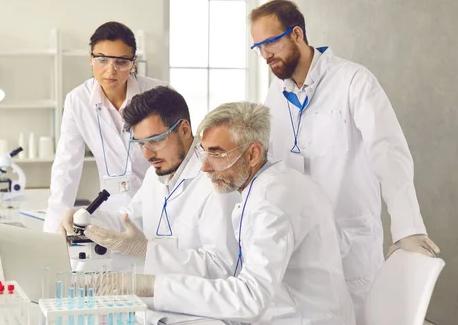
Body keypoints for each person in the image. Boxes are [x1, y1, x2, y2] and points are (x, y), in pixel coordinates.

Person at [250, 0, 440, 321]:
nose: (265, 54)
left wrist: (407, 226)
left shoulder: (354, 81)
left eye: (270, 42)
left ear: (297, 34)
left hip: (350, 246)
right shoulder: (275, 93)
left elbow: (389, 153)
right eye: (258, 47)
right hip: (299, 248)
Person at [97, 102, 355, 324]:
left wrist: (154, 286)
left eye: (217, 154)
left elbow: (250, 298)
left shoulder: (271, 204)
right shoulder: (267, 185)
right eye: (205, 152)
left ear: (253, 153)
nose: (206, 167)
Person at [61, 86, 238, 278]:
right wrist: (88, 218)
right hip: (159, 295)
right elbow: (129, 223)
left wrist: (148, 252)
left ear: (185, 130)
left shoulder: (216, 180)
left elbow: (221, 267)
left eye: (155, 140)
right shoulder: (156, 174)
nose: (147, 154)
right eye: (141, 143)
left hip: (195, 303)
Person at [43, 22, 166, 233]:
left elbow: (177, 156)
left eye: (121, 62)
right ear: (90, 59)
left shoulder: (158, 94)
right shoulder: (77, 100)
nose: (111, 70)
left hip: (160, 206)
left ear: (133, 62)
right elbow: (66, 167)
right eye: (102, 60)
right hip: (111, 213)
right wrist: (53, 232)